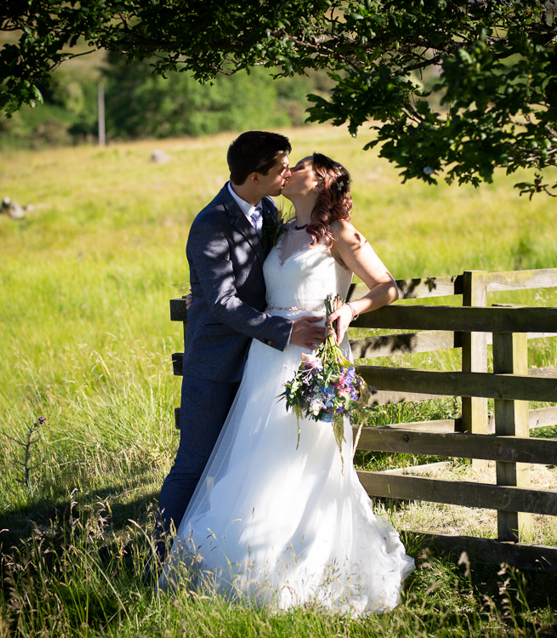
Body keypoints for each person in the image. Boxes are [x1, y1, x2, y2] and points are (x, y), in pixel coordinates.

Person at [158, 153, 416, 616]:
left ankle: (300, 565)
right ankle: (245, 557)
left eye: (300, 166)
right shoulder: (276, 227)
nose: (289, 171)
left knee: (303, 462)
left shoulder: (340, 233)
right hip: (266, 359)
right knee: (255, 459)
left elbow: (387, 286)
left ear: (322, 181)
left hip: (311, 355)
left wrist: (350, 311)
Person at [154, 132, 327, 565]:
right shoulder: (211, 223)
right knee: (193, 464)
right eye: (281, 168)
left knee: (245, 468)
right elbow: (224, 300)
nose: (288, 174)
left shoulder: (267, 208)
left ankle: (229, 556)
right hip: (216, 364)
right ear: (255, 176)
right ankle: (157, 559)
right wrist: (284, 331)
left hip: (260, 365)